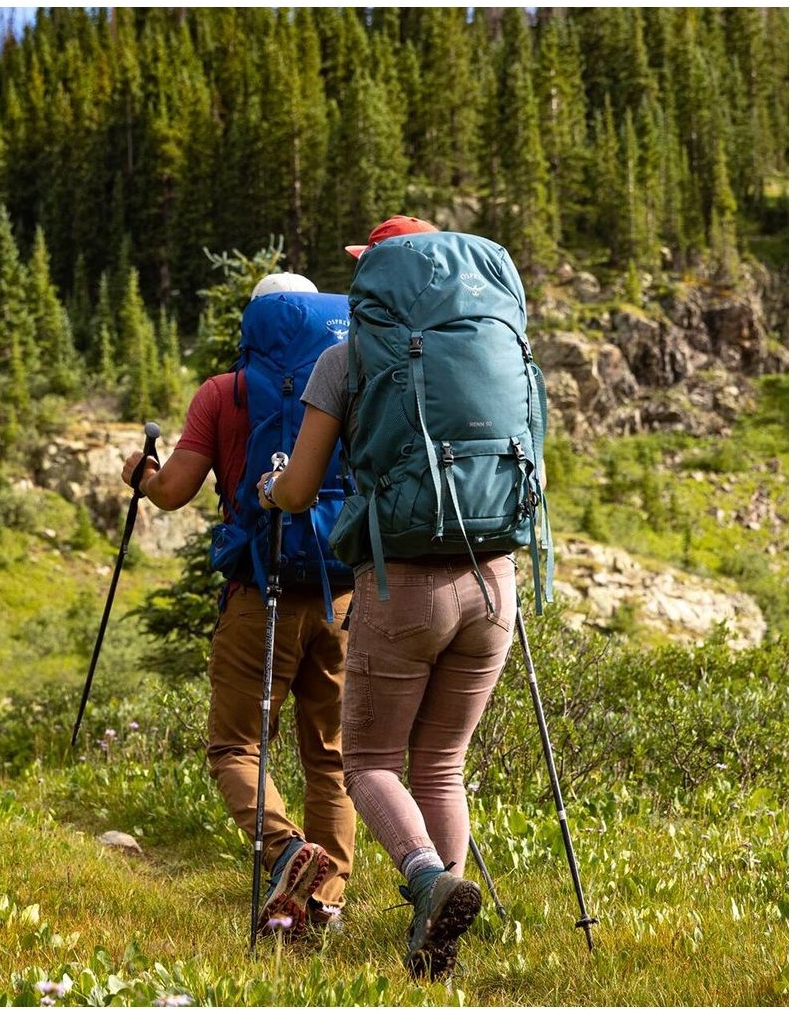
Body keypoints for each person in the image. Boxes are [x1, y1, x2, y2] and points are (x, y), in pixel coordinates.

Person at [257, 216, 517, 978]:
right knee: (442, 761)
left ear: (376, 273)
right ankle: (436, 932)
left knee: (367, 759)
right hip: (495, 579)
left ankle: (429, 881)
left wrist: (274, 489)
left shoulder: (346, 358)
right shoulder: (492, 346)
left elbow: (302, 486)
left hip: (403, 579)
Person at [121, 271, 356, 938]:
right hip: (340, 592)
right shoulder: (344, 380)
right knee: (332, 755)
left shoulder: (224, 393)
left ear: (252, 324)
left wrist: (143, 475)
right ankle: (327, 901)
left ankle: (287, 854)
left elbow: (174, 492)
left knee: (236, 747)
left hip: (260, 591)